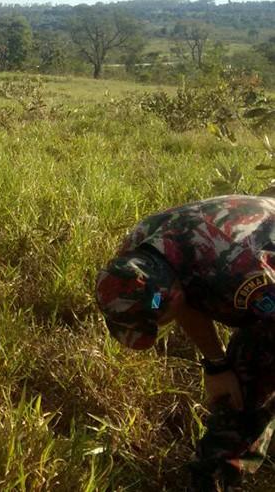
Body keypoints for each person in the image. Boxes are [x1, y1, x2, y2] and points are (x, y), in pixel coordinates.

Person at [95, 195, 275, 490]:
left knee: (249, 380)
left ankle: (216, 478)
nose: (157, 328)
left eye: (156, 321)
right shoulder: (138, 256)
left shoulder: (242, 270)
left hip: (258, 259)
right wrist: (217, 365)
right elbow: (180, 298)